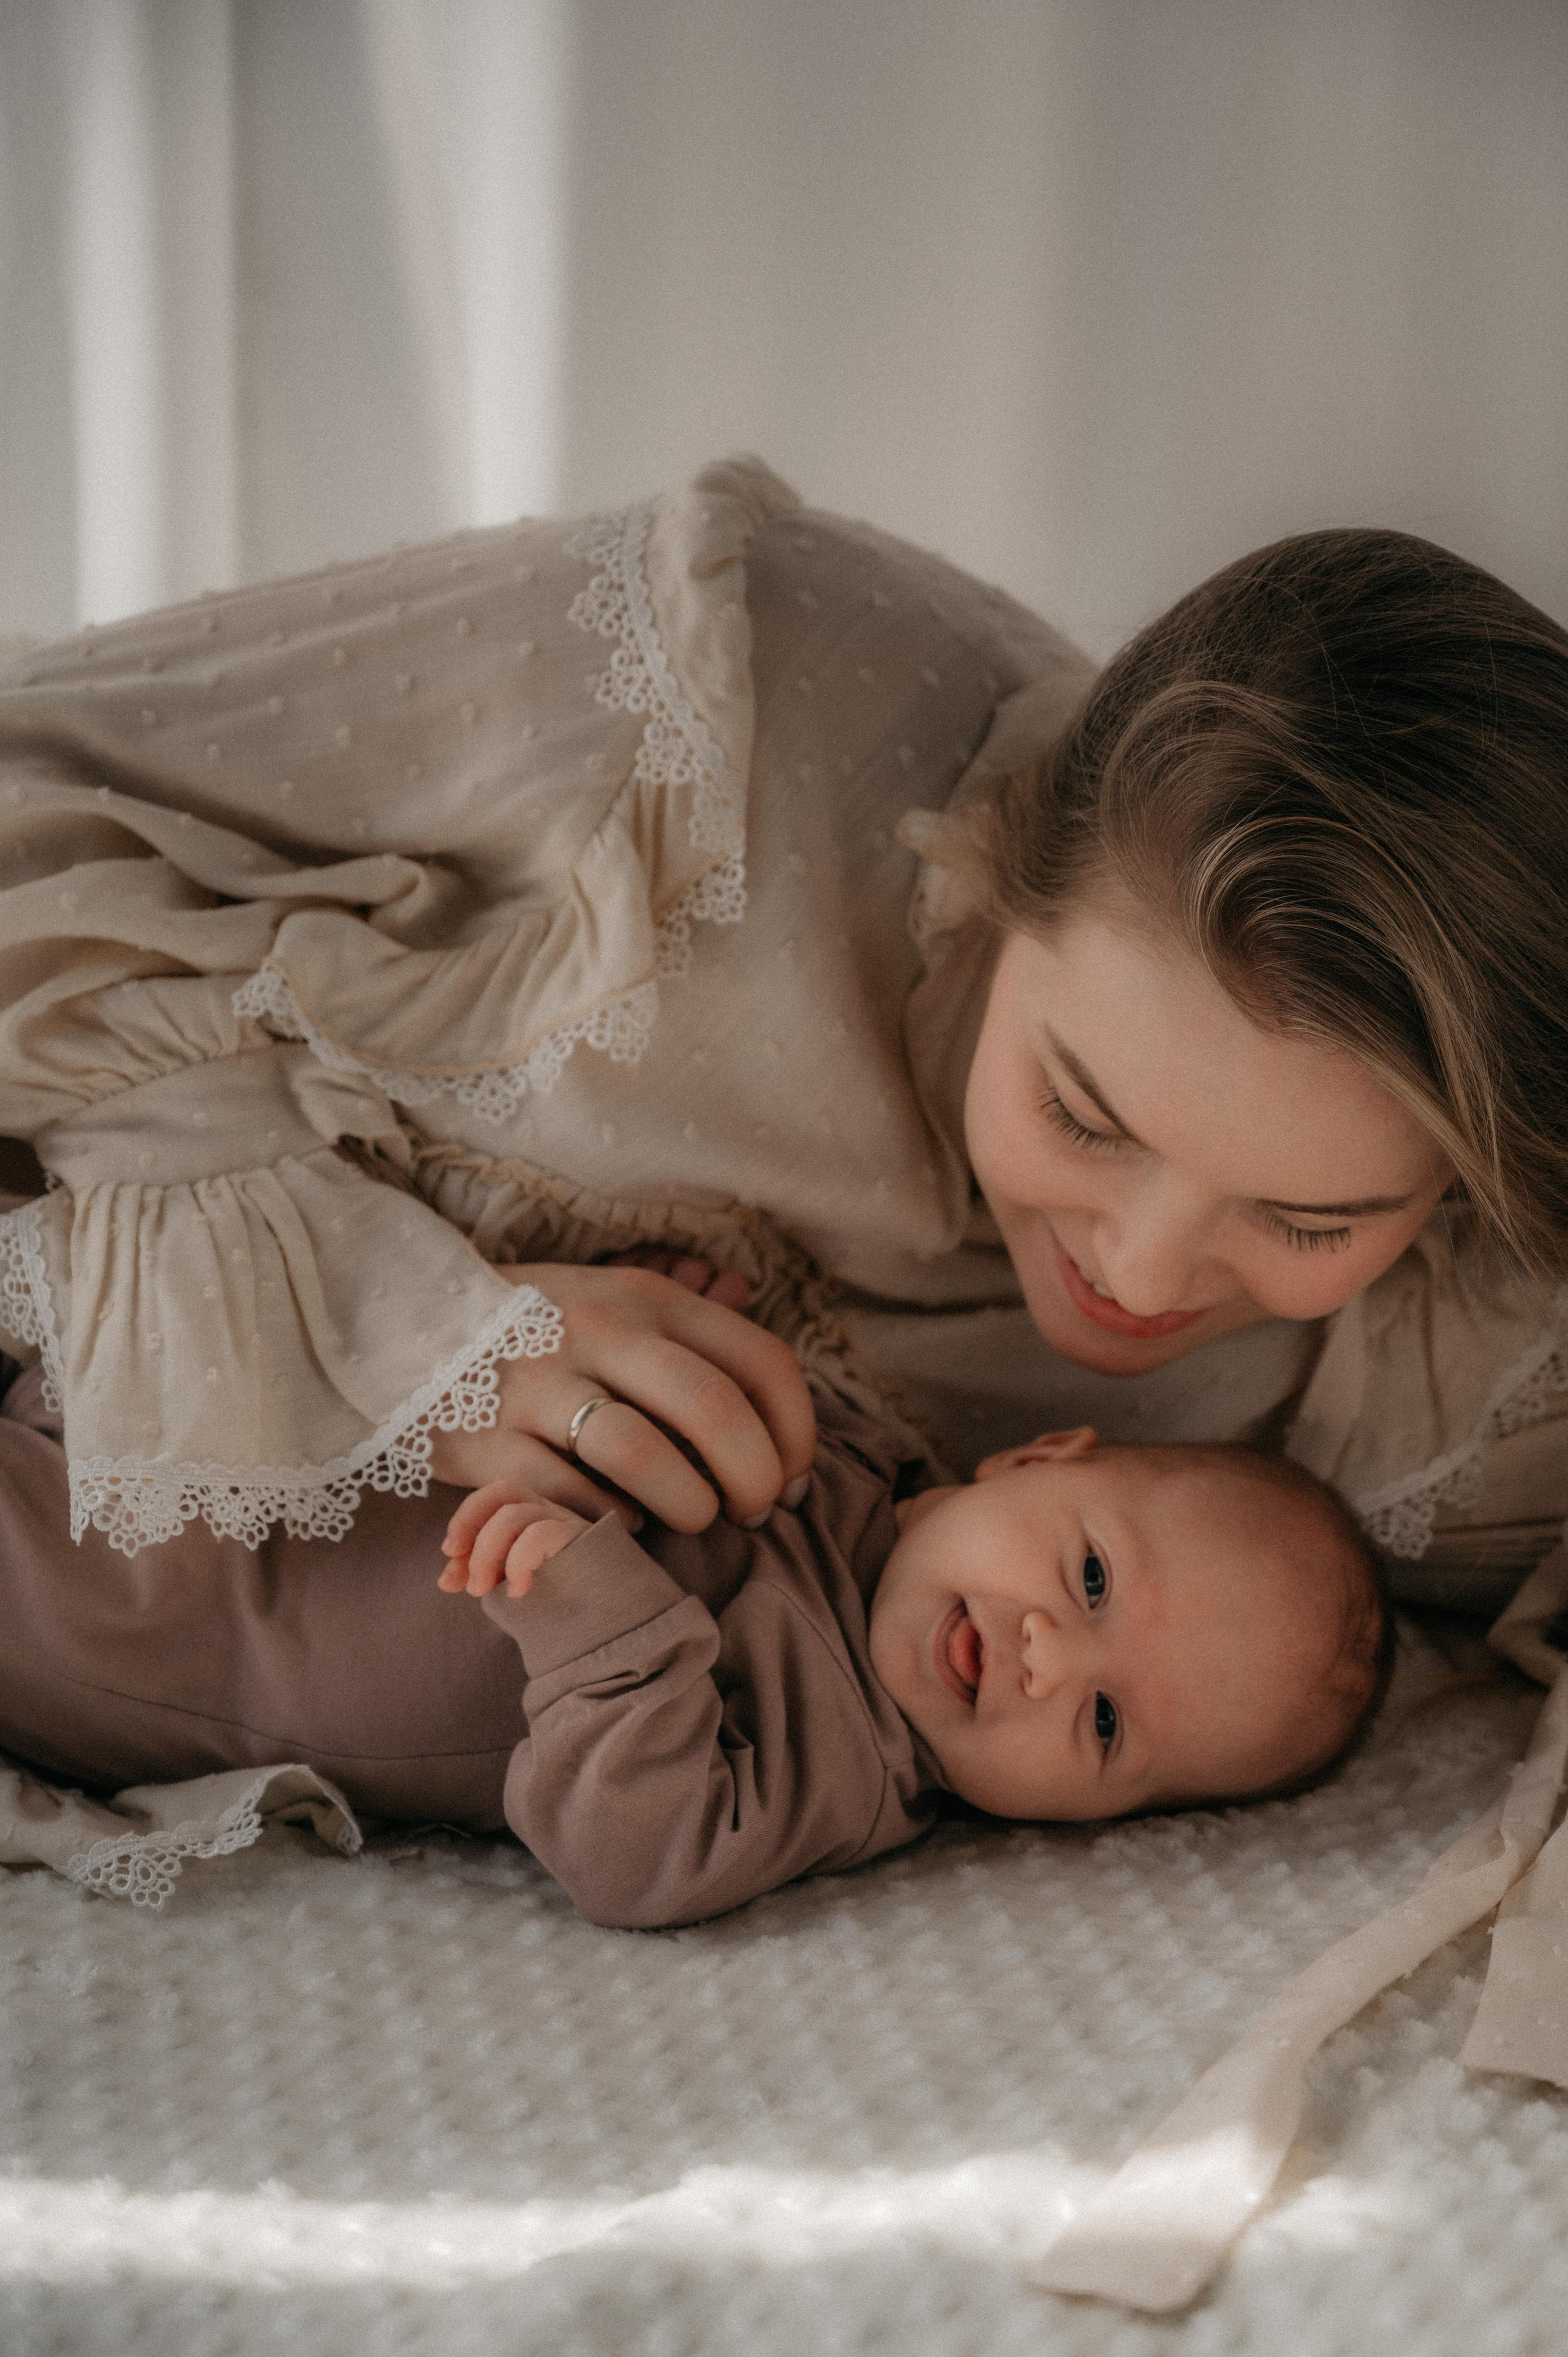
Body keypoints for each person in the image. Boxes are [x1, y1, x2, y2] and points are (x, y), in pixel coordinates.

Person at [0, 455, 1566, 1844]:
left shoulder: (1436, 1357)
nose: (1136, 1282)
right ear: (1008, 874)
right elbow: (33, 801)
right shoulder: (717, 712)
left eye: (1309, 1219)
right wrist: (416, 1339)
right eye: (1081, 1113)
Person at [0, 1352, 1384, 1928]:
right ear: (1033, 1455)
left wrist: (607, 1636)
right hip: (214, 1406)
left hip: (149, 1613)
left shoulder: (841, 1771)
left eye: (1101, 1726)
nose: (1041, 1659)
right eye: (1086, 1577)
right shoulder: (837, 1438)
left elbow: (640, 1855)